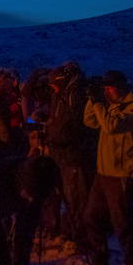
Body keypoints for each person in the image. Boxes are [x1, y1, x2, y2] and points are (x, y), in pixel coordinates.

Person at [81, 70, 133, 265]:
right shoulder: (110, 106)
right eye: (104, 89)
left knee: (122, 221)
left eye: (108, 88)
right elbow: (90, 121)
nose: (107, 92)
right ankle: (99, 257)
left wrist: (99, 103)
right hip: (104, 172)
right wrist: (93, 100)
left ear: (120, 87)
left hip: (123, 173)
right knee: (91, 215)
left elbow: (111, 126)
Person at [43, 62, 95, 242]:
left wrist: (56, 137)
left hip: (74, 155)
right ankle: (70, 231)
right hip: (62, 154)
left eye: (54, 85)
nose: (53, 89)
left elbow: (74, 125)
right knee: (66, 196)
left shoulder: (76, 95)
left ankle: (81, 238)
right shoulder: (64, 94)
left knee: (77, 199)